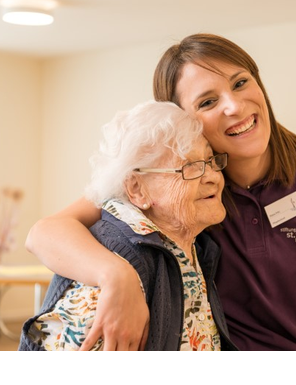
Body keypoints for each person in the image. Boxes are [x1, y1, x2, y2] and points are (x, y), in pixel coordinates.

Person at [26, 33, 296, 351]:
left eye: (241, 82)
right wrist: (115, 276)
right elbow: (45, 232)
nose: (234, 106)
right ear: (181, 119)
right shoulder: (173, 190)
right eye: (208, 101)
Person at [18, 100, 238, 351]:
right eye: (191, 167)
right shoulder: (117, 268)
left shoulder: (191, 246)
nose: (211, 177)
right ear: (136, 189)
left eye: (210, 161)